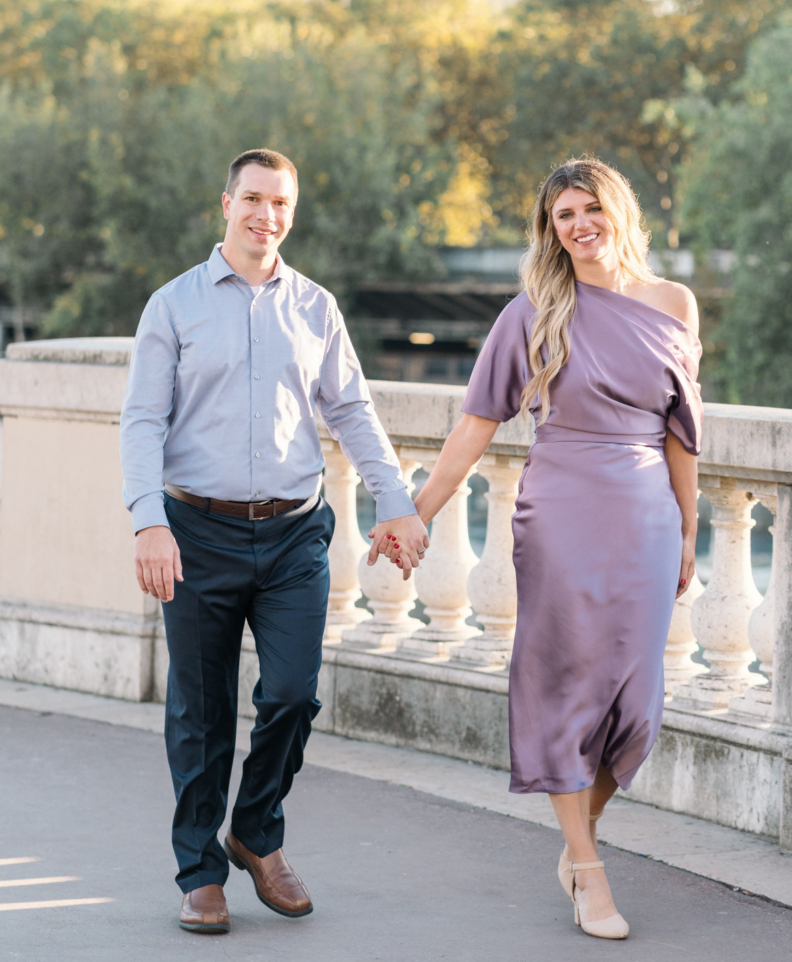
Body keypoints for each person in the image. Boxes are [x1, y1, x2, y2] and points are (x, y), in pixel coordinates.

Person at [120, 147, 427, 935]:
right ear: (223, 204)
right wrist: (148, 519)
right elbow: (143, 420)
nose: (267, 216)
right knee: (200, 713)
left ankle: (254, 831)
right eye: (253, 199)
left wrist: (396, 505)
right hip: (194, 531)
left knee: (292, 694)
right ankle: (200, 871)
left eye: (281, 203)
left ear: (291, 212)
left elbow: (352, 411)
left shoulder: (316, 307)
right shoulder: (174, 305)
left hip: (294, 535)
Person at [413, 157, 703, 940]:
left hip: (645, 516)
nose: (578, 225)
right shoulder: (534, 310)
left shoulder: (673, 303)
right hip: (562, 510)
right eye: (562, 216)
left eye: (589, 209)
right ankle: (586, 863)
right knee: (565, 685)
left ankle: (577, 842)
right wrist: (418, 511)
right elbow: (476, 423)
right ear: (550, 231)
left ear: (619, 213)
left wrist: (686, 528)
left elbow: (682, 433)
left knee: (636, 706)